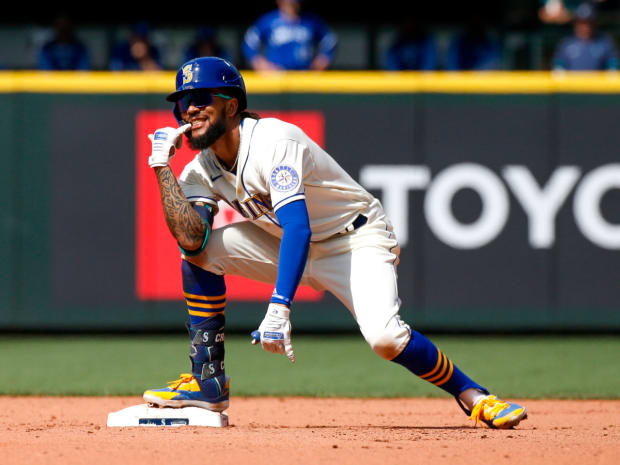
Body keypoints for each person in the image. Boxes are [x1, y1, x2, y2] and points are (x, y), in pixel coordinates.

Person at [142, 56, 528, 429]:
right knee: (202, 255)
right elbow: (192, 240)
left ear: (231, 106)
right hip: (286, 244)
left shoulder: (273, 140)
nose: (189, 109)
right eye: (183, 102)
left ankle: (473, 395)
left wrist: (279, 306)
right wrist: (161, 168)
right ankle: (207, 381)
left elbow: (299, 227)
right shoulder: (200, 170)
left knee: (386, 338)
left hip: (355, 239)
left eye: (200, 98)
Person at [242, 0, 337, 71]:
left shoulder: (311, 21)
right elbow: (249, 42)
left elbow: (329, 41)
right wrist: (259, 63)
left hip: (304, 74)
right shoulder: (268, 21)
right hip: (276, 76)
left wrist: (323, 59)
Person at [552, 2, 619, 70]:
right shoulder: (566, 43)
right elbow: (558, 68)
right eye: (581, 22)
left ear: (594, 23)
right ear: (576, 23)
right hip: (573, 77)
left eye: (588, 22)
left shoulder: (605, 42)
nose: (585, 26)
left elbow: (613, 66)